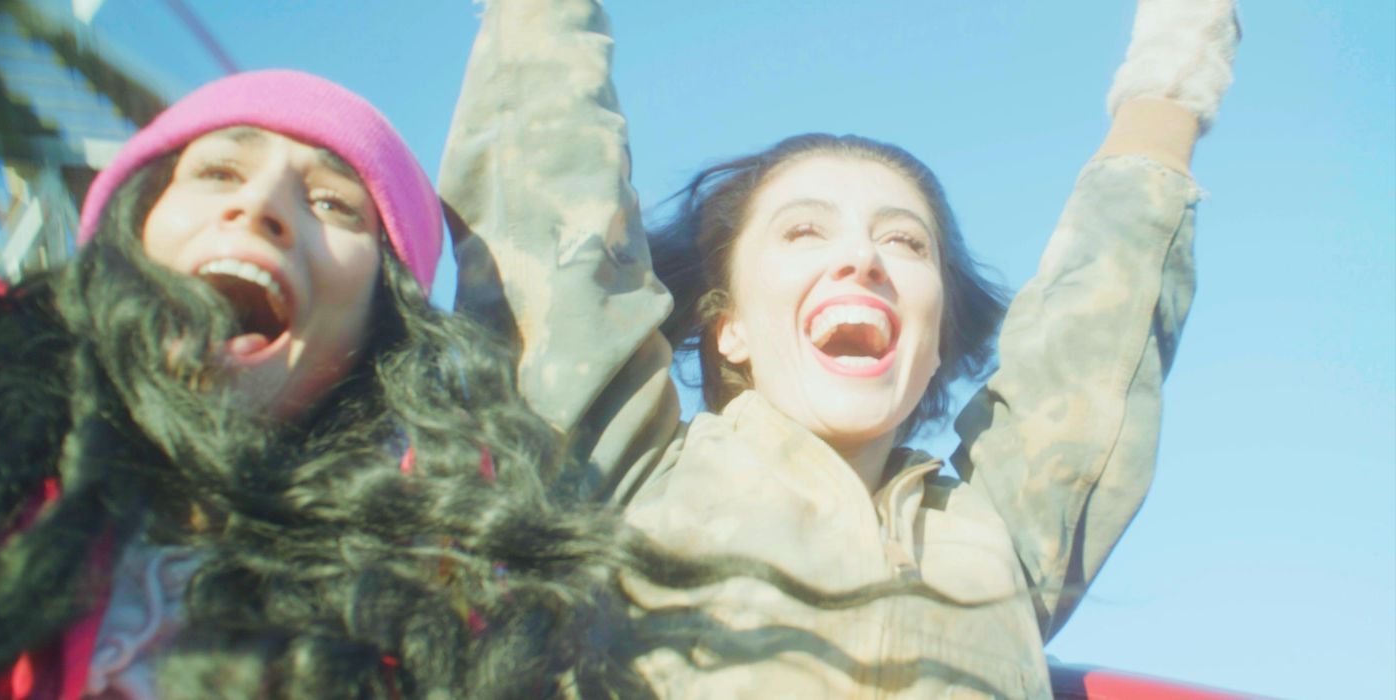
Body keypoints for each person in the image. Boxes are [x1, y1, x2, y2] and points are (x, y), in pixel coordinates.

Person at [440, 0, 1238, 697]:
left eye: (905, 242)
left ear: (935, 346)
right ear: (731, 327)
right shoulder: (620, 485)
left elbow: (1101, 326)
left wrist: (1177, 60)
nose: (862, 259)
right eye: (805, 230)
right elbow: (549, 202)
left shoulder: (1003, 542)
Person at [0, 69, 726, 699]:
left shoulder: (435, 621)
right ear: (132, 229)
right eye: (218, 172)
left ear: (381, 328)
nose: (261, 206)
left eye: (332, 203)